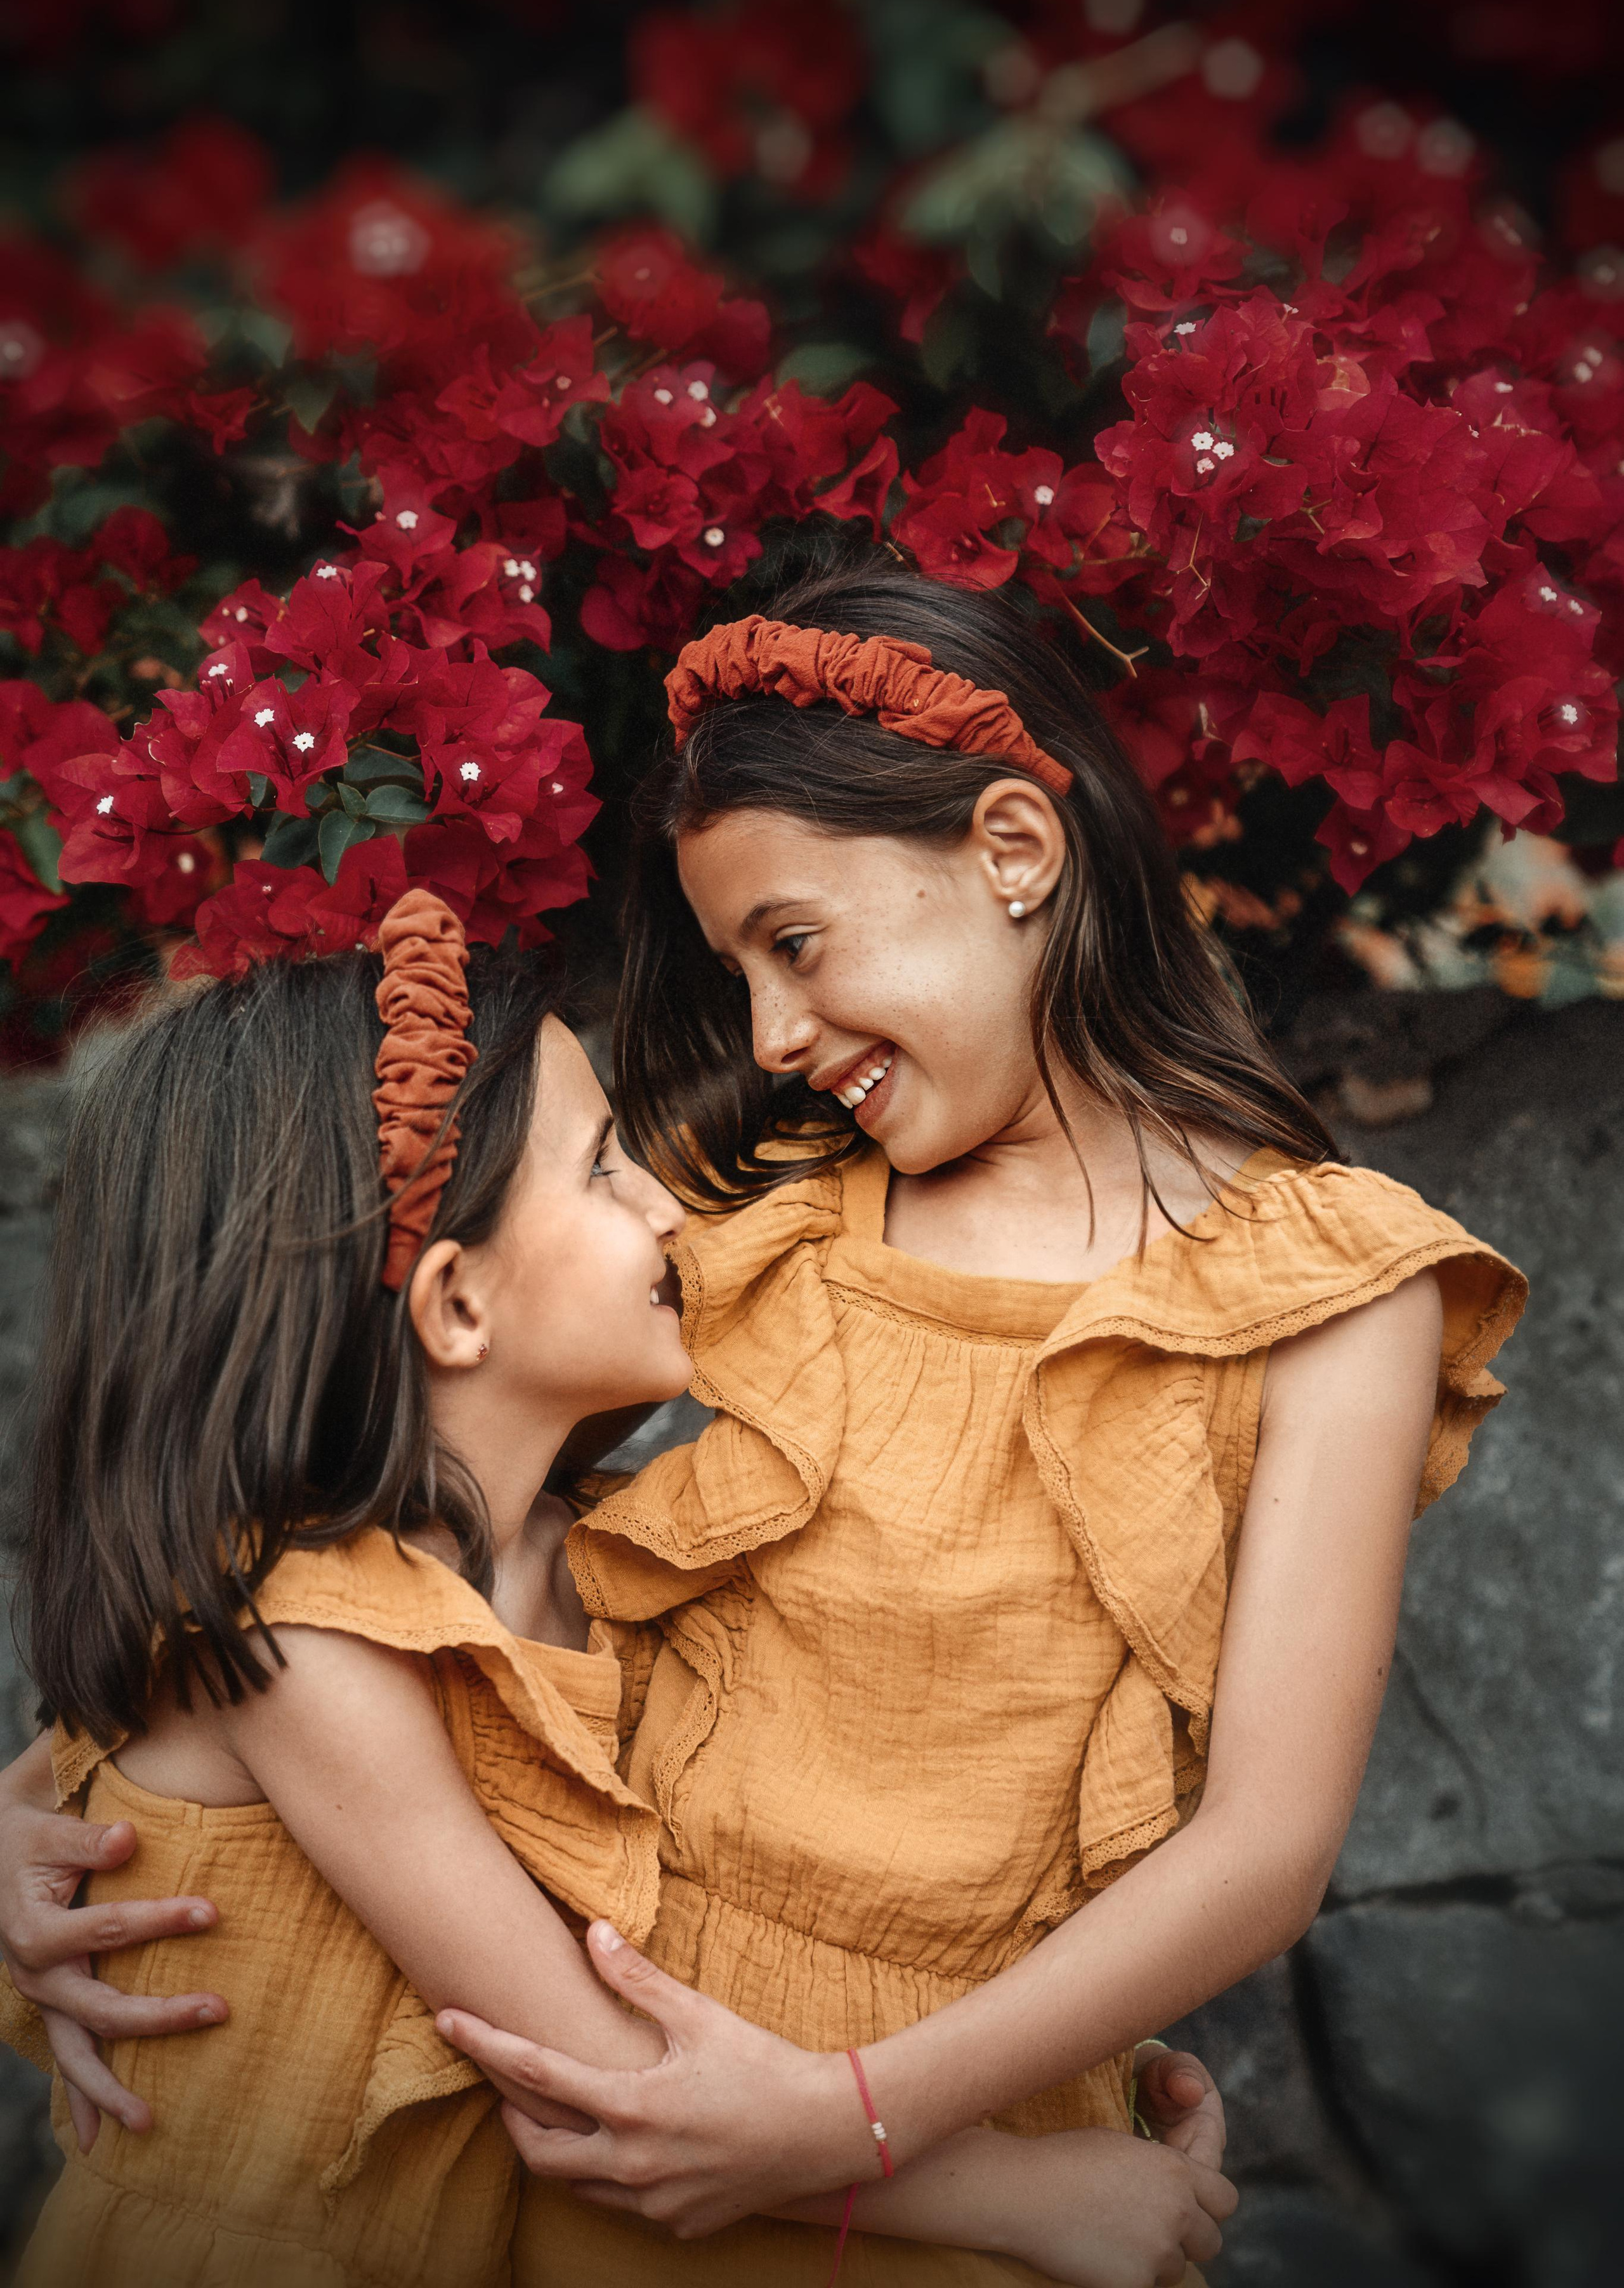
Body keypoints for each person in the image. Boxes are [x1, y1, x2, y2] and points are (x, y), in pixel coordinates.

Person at [421, 555, 1527, 2266]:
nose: (771, 1032)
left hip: (971, 2146)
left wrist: (850, 2121)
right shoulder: (758, 1219)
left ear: (1012, 850)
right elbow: (388, 1497)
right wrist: (47, 1791)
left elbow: (1264, 1848)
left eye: (795, 943)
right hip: (630, 2093)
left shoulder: (1331, 1292)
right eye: (740, 972)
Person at [0, 885, 1235, 2288]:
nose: (663, 1203)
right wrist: (1029, 2193)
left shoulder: (595, 1560)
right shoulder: (300, 1645)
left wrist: (1067, 2061)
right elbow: (597, 2079)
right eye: (602, 1169)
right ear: (456, 1304)